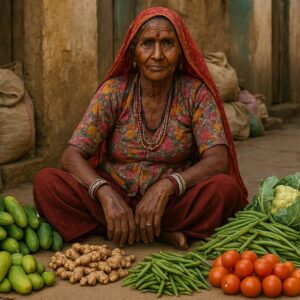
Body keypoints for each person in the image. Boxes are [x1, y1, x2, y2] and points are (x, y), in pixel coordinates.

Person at [33, 7, 248, 250]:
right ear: (133, 52)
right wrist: (105, 193)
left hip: (172, 201)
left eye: (167, 43)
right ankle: (153, 230)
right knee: (46, 182)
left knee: (224, 190)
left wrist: (168, 185)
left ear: (181, 53)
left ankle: (126, 229)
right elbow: (71, 156)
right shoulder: (114, 91)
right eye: (147, 44)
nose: (157, 55)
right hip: (114, 193)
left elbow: (218, 160)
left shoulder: (195, 94)